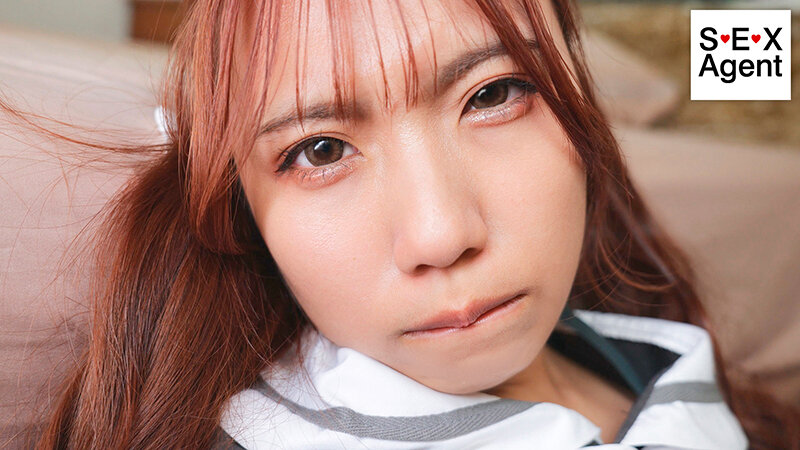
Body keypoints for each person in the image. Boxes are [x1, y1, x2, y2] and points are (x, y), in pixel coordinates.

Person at [19, 0, 797, 448]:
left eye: (494, 94)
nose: (440, 234)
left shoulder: (641, 354)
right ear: (242, 211)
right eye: (320, 149)